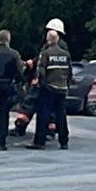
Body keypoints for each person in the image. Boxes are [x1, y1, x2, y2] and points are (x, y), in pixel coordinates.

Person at [28, 19, 72, 150]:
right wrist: (66, 85)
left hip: (48, 88)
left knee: (43, 114)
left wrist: (40, 84)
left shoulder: (46, 53)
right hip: (62, 89)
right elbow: (69, 72)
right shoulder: (65, 53)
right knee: (61, 115)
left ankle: (39, 142)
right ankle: (64, 141)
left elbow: (41, 71)